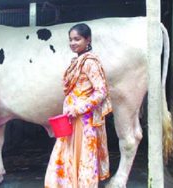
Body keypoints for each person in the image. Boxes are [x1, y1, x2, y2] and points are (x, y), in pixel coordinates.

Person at [45, 23, 113, 188]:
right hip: (71, 118)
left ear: (87, 39)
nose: (73, 43)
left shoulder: (90, 62)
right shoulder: (77, 61)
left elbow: (101, 91)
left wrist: (78, 108)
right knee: (69, 152)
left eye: (77, 39)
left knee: (83, 155)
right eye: (70, 40)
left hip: (85, 120)